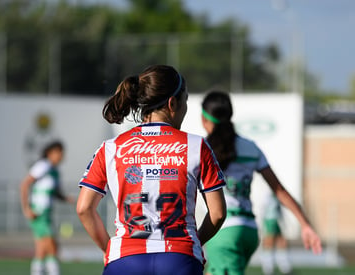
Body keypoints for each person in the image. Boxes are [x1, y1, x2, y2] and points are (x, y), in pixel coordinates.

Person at [76, 65, 227, 275]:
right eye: (186, 101)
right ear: (173, 103)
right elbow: (218, 213)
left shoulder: (111, 148)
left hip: (125, 260)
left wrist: (107, 248)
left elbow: (84, 208)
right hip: (179, 260)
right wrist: (191, 244)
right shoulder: (197, 146)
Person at [201, 91, 322, 275]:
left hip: (223, 232)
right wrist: (305, 224)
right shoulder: (251, 147)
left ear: (205, 119)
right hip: (249, 230)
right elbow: (279, 189)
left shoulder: (202, 148)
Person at [20, 140, 75, 275]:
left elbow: (55, 192)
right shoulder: (43, 166)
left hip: (47, 213)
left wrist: (66, 198)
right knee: (51, 246)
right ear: (51, 153)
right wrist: (26, 208)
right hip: (38, 212)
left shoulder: (55, 171)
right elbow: (25, 184)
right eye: (59, 152)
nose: (62, 156)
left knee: (42, 249)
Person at [260, 194, 293, 275]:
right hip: (270, 221)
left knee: (281, 243)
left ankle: (285, 267)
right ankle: (268, 268)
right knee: (269, 243)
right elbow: (264, 210)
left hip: (277, 221)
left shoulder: (277, 196)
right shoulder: (267, 197)